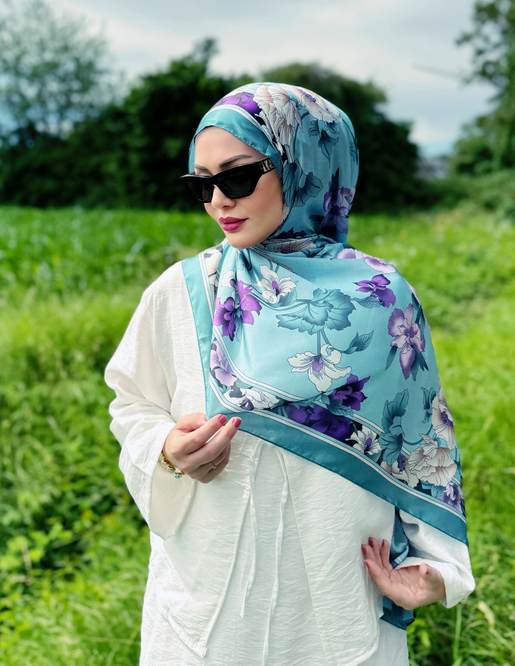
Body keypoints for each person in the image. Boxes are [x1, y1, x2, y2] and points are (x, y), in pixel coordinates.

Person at [104, 82, 475, 666]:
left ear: (304, 167)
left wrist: (437, 572)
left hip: (335, 608)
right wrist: (167, 450)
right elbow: (132, 402)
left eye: (236, 177)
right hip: (206, 613)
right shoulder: (184, 292)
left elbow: (420, 442)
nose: (218, 201)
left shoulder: (382, 300)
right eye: (201, 184)